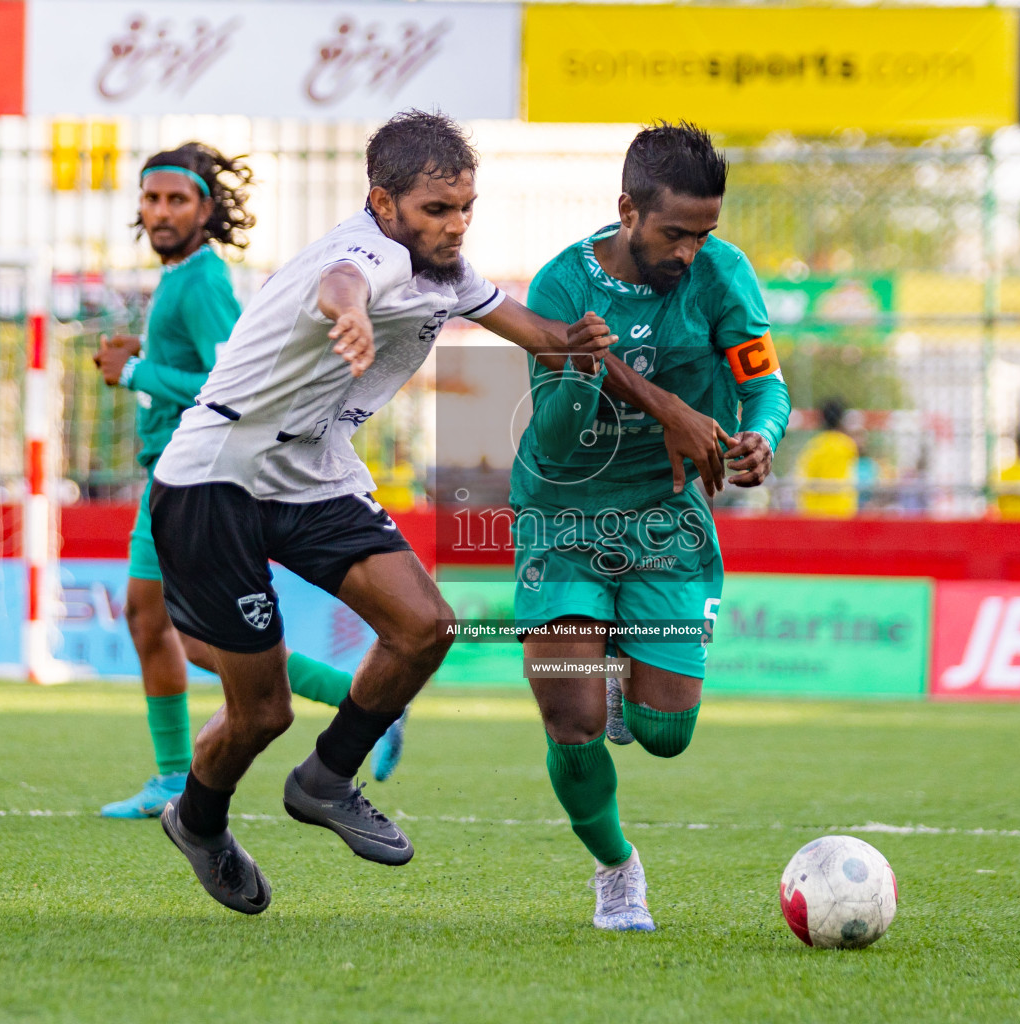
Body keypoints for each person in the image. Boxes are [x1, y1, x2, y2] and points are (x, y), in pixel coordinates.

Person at [146, 110, 726, 914]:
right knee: (263, 709)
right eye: (435, 211)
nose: (454, 227)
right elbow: (342, 283)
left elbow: (550, 340)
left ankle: (326, 780)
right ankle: (200, 822)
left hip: (311, 473)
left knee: (426, 626)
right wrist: (345, 314)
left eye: (464, 209)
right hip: (217, 481)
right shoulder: (369, 254)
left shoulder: (449, 272)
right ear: (384, 203)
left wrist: (657, 399)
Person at [512, 122, 790, 931]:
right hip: (564, 511)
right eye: (675, 234)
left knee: (666, 734)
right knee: (573, 719)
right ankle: (615, 868)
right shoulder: (563, 286)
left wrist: (757, 440)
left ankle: (634, 680)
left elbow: (767, 389)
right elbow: (558, 438)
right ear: (628, 211)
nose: (691, 253)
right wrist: (586, 376)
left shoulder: (723, 275)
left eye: (705, 233)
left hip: (667, 517)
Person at [93, 143, 404, 822]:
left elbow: (224, 381)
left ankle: (357, 704)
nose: (161, 212)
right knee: (155, 623)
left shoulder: (201, 280)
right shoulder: (180, 277)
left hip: (195, 475)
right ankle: (175, 775)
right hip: (171, 470)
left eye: (177, 199)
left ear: (207, 209)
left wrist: (135, 373)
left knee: (186, 634)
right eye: (151, 199)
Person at [794, 399, 858, 518]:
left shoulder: (814, 446)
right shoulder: (847, 445)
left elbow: (804, 476)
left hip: (815, 511)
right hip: (841, 509)